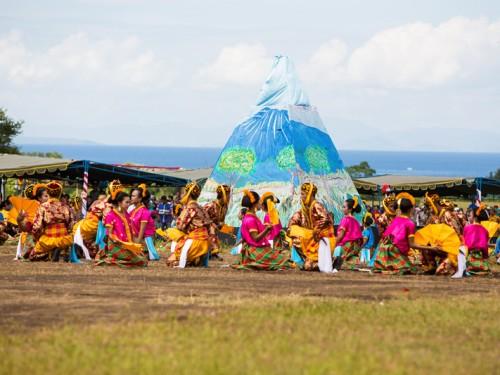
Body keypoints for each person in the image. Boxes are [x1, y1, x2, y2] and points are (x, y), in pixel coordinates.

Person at [373, 193, 441, 275]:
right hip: (393, 251)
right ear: (411, 209)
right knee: (412, 269)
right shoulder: (410, 223)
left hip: (382, 251)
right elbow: (412, 245)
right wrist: (432, 248)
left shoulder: (396, 219)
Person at [232, 190, 291, 271]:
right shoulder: (250, 219)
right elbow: (256, 238)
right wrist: (267, 229)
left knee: (285, 257)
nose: (261, 204)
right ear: (254, 204)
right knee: (285, 260)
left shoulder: (252, 217)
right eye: (259, 202)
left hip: (257, 248)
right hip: (255, 251)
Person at [96, 180, 147, 268]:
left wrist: (133, 244)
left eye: (129, 202)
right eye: (126, 202)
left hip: (126, 244)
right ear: (119, 203)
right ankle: (109, 260)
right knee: (140, 261)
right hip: (115, 245)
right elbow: (110, 234)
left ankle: (115, 260)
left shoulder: (126, 214)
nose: (128, 204)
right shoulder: (111, 215)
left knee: (143, 260)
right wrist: (119, 241)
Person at [287, 182, 335, 272]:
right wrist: (292, 223)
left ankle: (330, 262)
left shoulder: (316, 205)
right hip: (312, 238)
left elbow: (326, 219)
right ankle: (310, 261)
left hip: (321, 239)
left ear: (309, 194)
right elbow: (298, 216)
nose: (301, 196)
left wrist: (317, 229)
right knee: (293, 232)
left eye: (303, 194)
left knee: (308, 267)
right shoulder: (305, 207)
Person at [166, 181, 212, 267]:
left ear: (188, 194)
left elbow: (180, 226)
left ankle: (181, 262)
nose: (182, 194)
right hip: (206, 240)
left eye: (184, 192)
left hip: (195, 240)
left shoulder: (189, 208)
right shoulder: (201, 207)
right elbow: (209, 224)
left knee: (170, 262)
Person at [31, 181, 74, 261]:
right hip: (64, 239)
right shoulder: (66, 206)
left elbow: (37, 226)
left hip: (49, 239)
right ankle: (61, 252)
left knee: (33, 256)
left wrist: (36, 237)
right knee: (66, 244)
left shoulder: (43, 207)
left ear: (48, 192)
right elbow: (71, 224)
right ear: (60, 193)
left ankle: (49, 253)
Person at [453, 203, 491, 277]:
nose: (468, 217)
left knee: (461, 249)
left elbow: (465, 243)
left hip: (470, 256)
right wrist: (485, 256)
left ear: (473, 217)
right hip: (481, 258)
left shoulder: (467, 228)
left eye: (469, 215)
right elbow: (485, 247)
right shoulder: (485, 230)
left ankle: (464, 271)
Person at [129, 183, 160, 261]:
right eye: (131, 195)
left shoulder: (144, 212)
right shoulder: (132, 210)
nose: (131, 198)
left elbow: (142, 232)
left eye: (133, 196)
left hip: (144, 240)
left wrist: (136, 246)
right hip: (135, 238)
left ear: (140, 199)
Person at [333, 196, 363, 270]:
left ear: (350, 209)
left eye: (344, 207)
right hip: (354, 249)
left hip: (346, 247)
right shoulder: (356, 221)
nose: (342, 209)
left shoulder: (345, 219)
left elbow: (341, 235)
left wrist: (333, 244)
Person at [204, 184, 231, 257]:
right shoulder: (210, 206)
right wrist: (213, 225)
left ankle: (213, 251)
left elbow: (221, 221)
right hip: (205, 230)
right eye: (228, 195)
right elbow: (202, 220)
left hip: (214, 231)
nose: (229, 197)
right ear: (223, 196)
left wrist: (220, 224)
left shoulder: (225, 207)